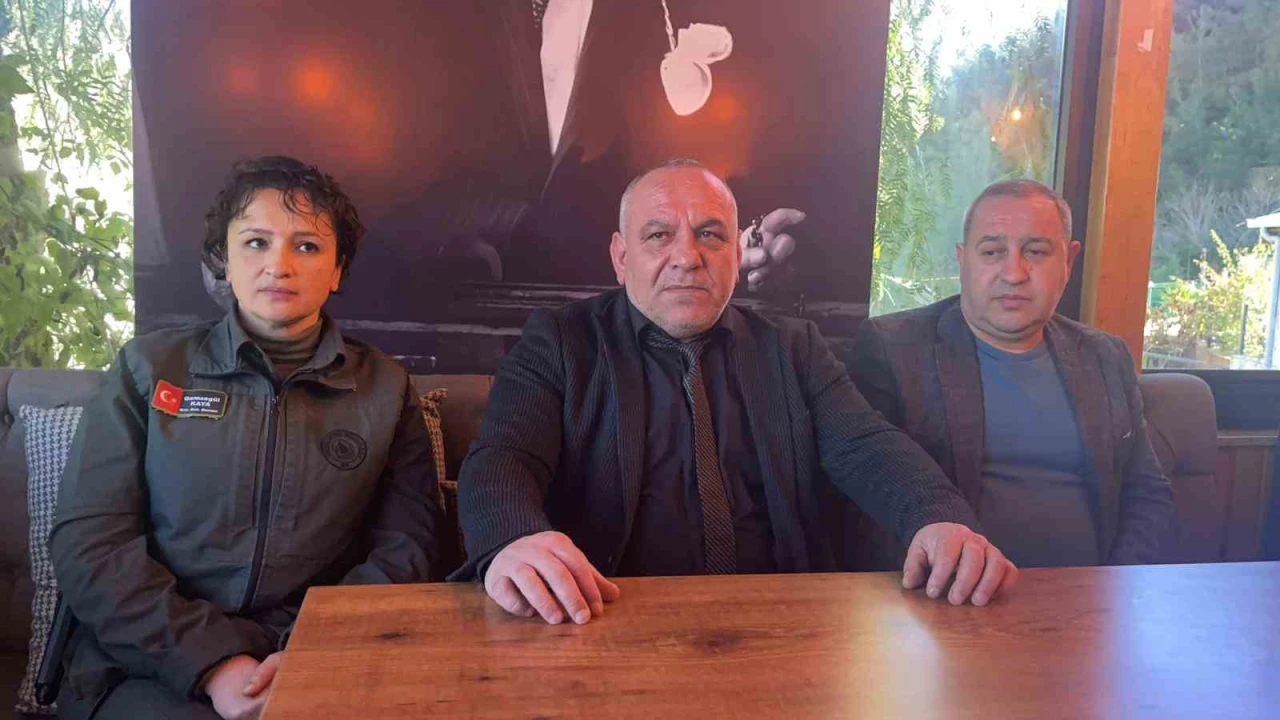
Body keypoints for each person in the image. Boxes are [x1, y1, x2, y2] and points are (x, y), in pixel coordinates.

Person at [453, 158, 1018, 625]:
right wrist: (515, 538)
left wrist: (938, 516)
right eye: (659, 235)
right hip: (603, 617)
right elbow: (504, 457)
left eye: (710, 234)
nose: (687, 256)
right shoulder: (560, 341)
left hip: (779, 620)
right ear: (621, 258)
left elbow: (867, 446)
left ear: (735, 253)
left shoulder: (792, 347)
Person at [50, 156, 444, 720]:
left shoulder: (386, 388)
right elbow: (91, 542)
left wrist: (311, 650)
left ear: (337, 270)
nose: (278, 266)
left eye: (307, 246)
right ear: (224, 262)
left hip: (315, 654)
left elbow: (407, 546)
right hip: (147, 662)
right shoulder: (147, 368)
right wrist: (212, 663)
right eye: (256, 243)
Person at [850, 179, 1176, 570]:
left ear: (1068, 261)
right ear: (962, 260)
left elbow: (1147, 495)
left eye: (1036, 251)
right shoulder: (893, 349)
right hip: (948, 594)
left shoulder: (1105, 356)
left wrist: (1114, 586)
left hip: (1093, 592)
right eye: (992, 252)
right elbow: (869, 495)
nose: (1014, 273)